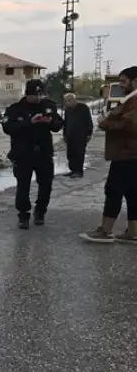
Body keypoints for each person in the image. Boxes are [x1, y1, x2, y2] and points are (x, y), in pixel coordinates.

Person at [80, 66, 137, 243]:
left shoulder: (134, 100)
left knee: (113, 190)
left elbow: (131, 125)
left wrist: (106, 123)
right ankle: (133, 233)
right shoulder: (129, 99)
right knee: (133, 193)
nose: (121, 85)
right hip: (128, 153)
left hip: (127, 153)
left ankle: (105, 231)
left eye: (123, 81)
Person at [2, 79, 63, 229]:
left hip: (43, 153)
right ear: (27, 94)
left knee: (46, 185)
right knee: (23, 186)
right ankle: (23, 215)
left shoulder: (48, 106)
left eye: (40, 94)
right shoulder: (15, 109)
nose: (37, 98)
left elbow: (58, 125)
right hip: (23, 153)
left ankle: (40, 211)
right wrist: (29, 122)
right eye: (34, 95)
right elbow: (8, 127)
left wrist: (49, 121)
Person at [62, 92, 93, 178]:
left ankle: (79, 171)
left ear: (74, 100)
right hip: (70, 135)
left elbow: (89, 121)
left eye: (69, 100)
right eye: (66, 101)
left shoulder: (83, 108)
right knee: (70, 154)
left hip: (81, 135)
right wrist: (64, 135)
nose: (67, 102)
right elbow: (66, 123)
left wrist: (89, 133)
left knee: (79, 154)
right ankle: (73, 170)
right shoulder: (67, 110)